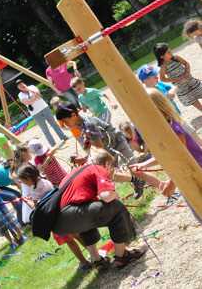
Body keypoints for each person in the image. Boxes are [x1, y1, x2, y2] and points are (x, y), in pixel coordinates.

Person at [53, 148, 146, 271]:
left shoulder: (77, 173)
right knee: (116, 206)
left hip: (59, 224)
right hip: (73, 214)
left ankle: (98, 260)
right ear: (106, 164)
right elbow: (107, 197)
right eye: (111, 168)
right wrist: (114, 194)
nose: (110, 173)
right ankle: (122, 255)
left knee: (86, 218)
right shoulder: (98, 168)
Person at [55, 102, 163, 199]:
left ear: (73, 115)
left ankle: (165, 188)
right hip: (108, 146)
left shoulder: (89, 124)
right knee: (108, 174)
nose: (65, 124)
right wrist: (87, 140)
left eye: (65, 121)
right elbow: (90, 137)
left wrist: (84, 159)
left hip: (117, 142)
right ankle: (136, 180)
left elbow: (99, 149)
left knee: (135, 169)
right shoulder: (78, 122)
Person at [130, 88, 202, 224]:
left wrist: (172, 183)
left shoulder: (174, 129)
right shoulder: (164, 130)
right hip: (185, 177)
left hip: (196, 171)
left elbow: (183, 159)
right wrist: (143, 165)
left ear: (157, 109)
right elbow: (165, 156)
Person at [16, 163, 91, 270]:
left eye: (23, 181)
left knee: (70, 241)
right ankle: (93, 253)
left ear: (28, 178)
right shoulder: (45, 181)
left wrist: (27, 201)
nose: (23, 183)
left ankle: (84, 262)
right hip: (62, 212)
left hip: (54, 219)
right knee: (77, 235)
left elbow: (38, 209)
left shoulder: (35, 191)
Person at [137, 64, 202, 147]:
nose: (157, 77)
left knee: (190, 134)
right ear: (146, 81)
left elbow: (174, 87)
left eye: (157, 75)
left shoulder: (159, 84)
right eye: (154, 76)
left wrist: (171, 92)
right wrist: (167, 98)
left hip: (176, 114)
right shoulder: (149, 93)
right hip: (170, 119)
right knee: (190, 134)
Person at [153, 42, 202, 112]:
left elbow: (186, 63)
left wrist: (188, 72)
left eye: (170, 50)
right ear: (161, 56)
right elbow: (162, 79)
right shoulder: (163, 66)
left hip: (190, 80)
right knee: (190, 99)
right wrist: (175, 79)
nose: (171, 53)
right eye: (168, 52)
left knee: (199, 90)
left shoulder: (176, 57)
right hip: (180, 86)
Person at [17, 79, 67, 147]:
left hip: (44, 107)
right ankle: (53, 144)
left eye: (21, 84)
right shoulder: (20, 95)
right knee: (45, 129)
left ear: (24, 83)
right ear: (18, 88)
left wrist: (28, 90)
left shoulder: (32, 87)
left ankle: (63, 136)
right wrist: (35, 98)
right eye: (19, 85)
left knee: (54, 123)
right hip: (35, 113)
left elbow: (38, 94)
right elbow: (27, 102)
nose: (21, 86)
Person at [8, 143, 35, 225]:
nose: (31, 153)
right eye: (29, 151)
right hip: (31, 190)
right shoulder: (24, 167)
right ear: (24, 154)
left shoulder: (27, 163)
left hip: (31, 189)